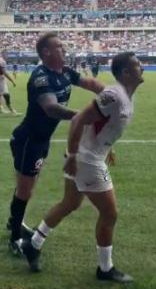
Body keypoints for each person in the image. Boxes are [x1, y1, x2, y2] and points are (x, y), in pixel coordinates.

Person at [20, 52, 144, 281]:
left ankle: (33, 244)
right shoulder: (113, 95)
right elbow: (78, 120)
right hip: (86, 160)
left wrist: (108, 147)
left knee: (69, 203)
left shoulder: (126, 95)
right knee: (110, 213)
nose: (142, 67)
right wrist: (73, 156)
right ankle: (105, 269)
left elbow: (100, 124)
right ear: (126, 73)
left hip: (88, 155)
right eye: (137, 65)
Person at [7, 33, 104, 255]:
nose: (65, 49)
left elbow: (89, 82)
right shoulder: (41, 77)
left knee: (27, 187)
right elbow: (51, 108)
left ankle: (15, 221)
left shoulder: (64, 72)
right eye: (59, 46)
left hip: (41, 140)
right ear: (46, 53)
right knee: (25, 189)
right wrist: (84, 115)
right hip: (29, 141)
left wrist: (110, 94)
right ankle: (15, 240)